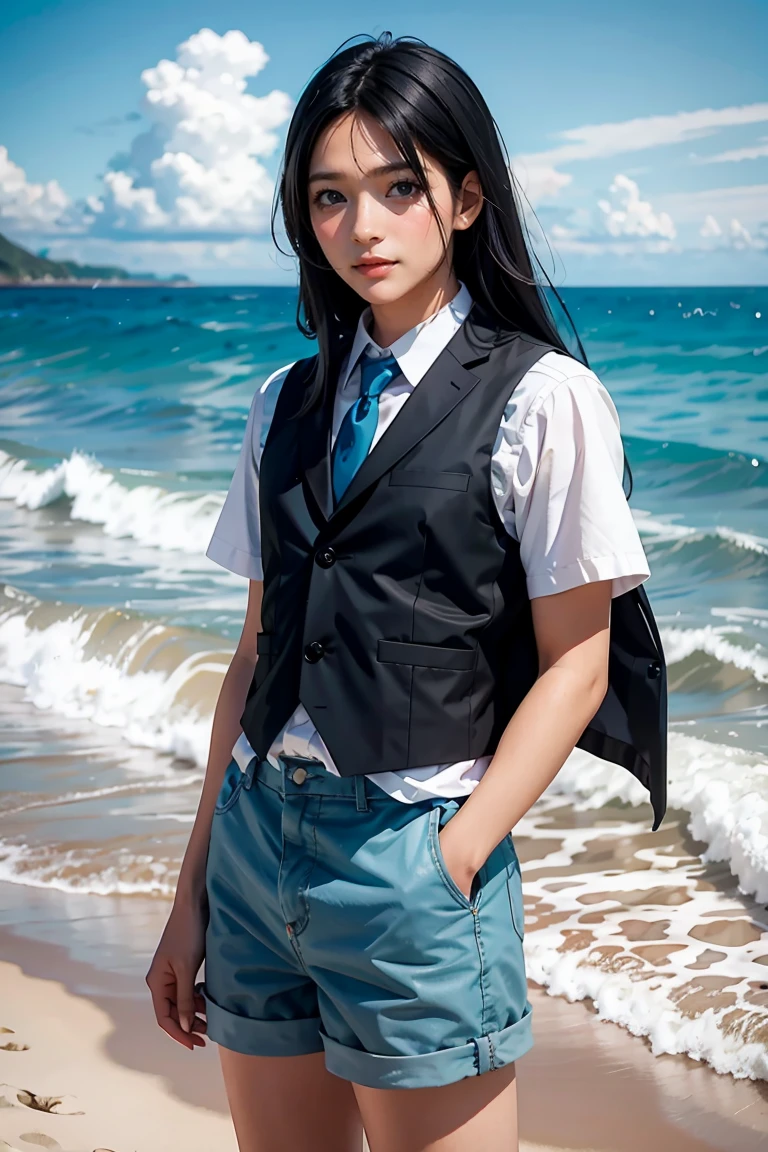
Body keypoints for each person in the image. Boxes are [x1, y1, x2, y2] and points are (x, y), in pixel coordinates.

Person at [146, 31, 665, 1152]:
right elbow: (253, 656)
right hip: (252, 842)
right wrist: (191, 892)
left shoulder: (545, 400)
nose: (362, 226)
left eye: (397, 187)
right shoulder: (281, 401)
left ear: (466, 199)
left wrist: (458, 853)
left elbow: (578, 664)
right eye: (329, 197)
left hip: (412, 857)